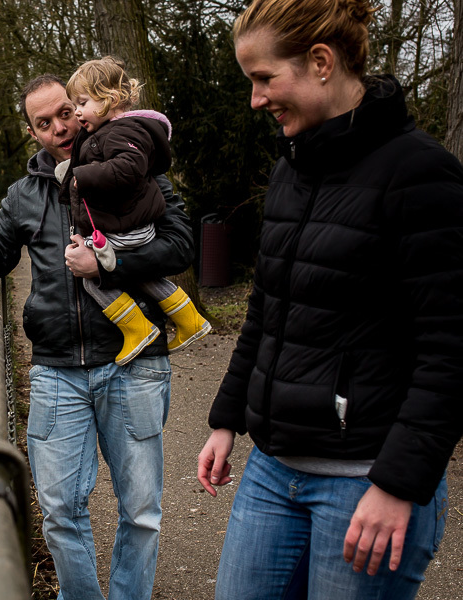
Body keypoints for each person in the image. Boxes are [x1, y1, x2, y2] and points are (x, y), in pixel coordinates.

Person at [196, 0, 463, 598]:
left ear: (320, 62)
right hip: (272, 471)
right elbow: (268, 310)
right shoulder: (293, 168)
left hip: (365, 484)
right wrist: (225, 419)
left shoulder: (421, 176)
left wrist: (399, 484)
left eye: (265, 78)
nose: (256, 98)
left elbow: (451, 350)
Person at [0, 74, 194, 599]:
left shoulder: (134, 168)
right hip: (55, 373)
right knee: (59, 512)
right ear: (33, 133)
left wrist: (108, 264)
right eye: (43, 123)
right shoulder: (24, 196)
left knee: (140, 511)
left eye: (64, 113)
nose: (60, 128)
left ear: (80, 109)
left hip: (135, 366)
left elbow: (182, 244)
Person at [58, 56, 210, 364]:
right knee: (145, 276)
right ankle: (189, 319)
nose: (77, 112)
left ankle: (137, 328)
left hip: (127, 230)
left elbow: (128, 168)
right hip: (128, 227)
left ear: (110, 99)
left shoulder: (122, 132)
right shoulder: (111, 133)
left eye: (82, 102)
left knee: (90, 275)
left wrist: (82, 176)